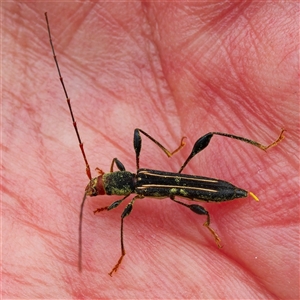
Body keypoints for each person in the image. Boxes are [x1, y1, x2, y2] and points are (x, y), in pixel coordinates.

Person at [3, 3, 298, 299]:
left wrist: (108, 203)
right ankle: (212, 171)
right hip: (193, 189)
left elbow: (119, 200)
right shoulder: (135, 177)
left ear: (114, 182)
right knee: (187, 151)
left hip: (211, 190)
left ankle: (255, 149)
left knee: (195, 150)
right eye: (100, 186)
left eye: (100, 184)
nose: (99, 183)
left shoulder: (134, 193)